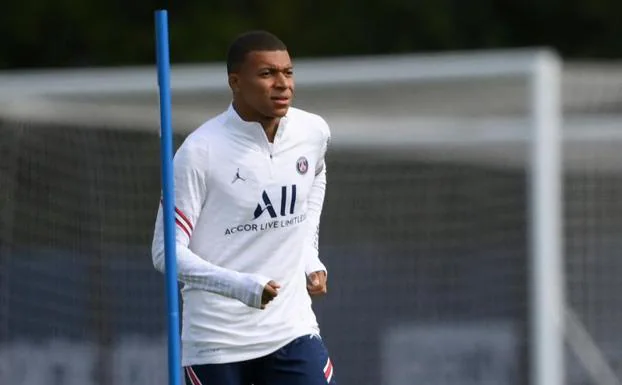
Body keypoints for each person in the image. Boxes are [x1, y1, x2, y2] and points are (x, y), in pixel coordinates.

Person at [151, 30, 336, 385]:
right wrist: (241, 286)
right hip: (217, 343)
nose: (282, 84)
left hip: (291, 330)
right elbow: (165, 252)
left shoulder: (312, 131)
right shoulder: (199, 151)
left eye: (288, 72)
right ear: (235, 82)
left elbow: (317, 176)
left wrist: (309, 255)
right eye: (267, 74)